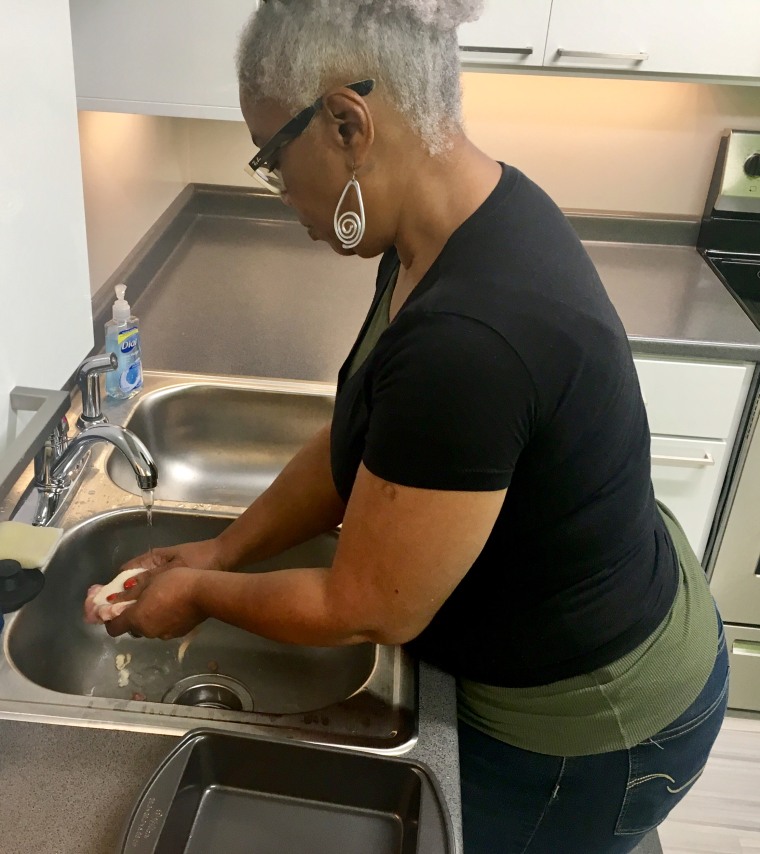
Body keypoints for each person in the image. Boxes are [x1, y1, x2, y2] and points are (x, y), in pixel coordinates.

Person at [90, 1, 728, 851]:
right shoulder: (437, 235)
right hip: (597, 625)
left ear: (349, 125)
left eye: (274, 160)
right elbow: (357, 443)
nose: (280, 194)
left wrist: (201, 595)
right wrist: (220, 549)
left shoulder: (470, 340)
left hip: (594, 723)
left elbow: (364, 605)